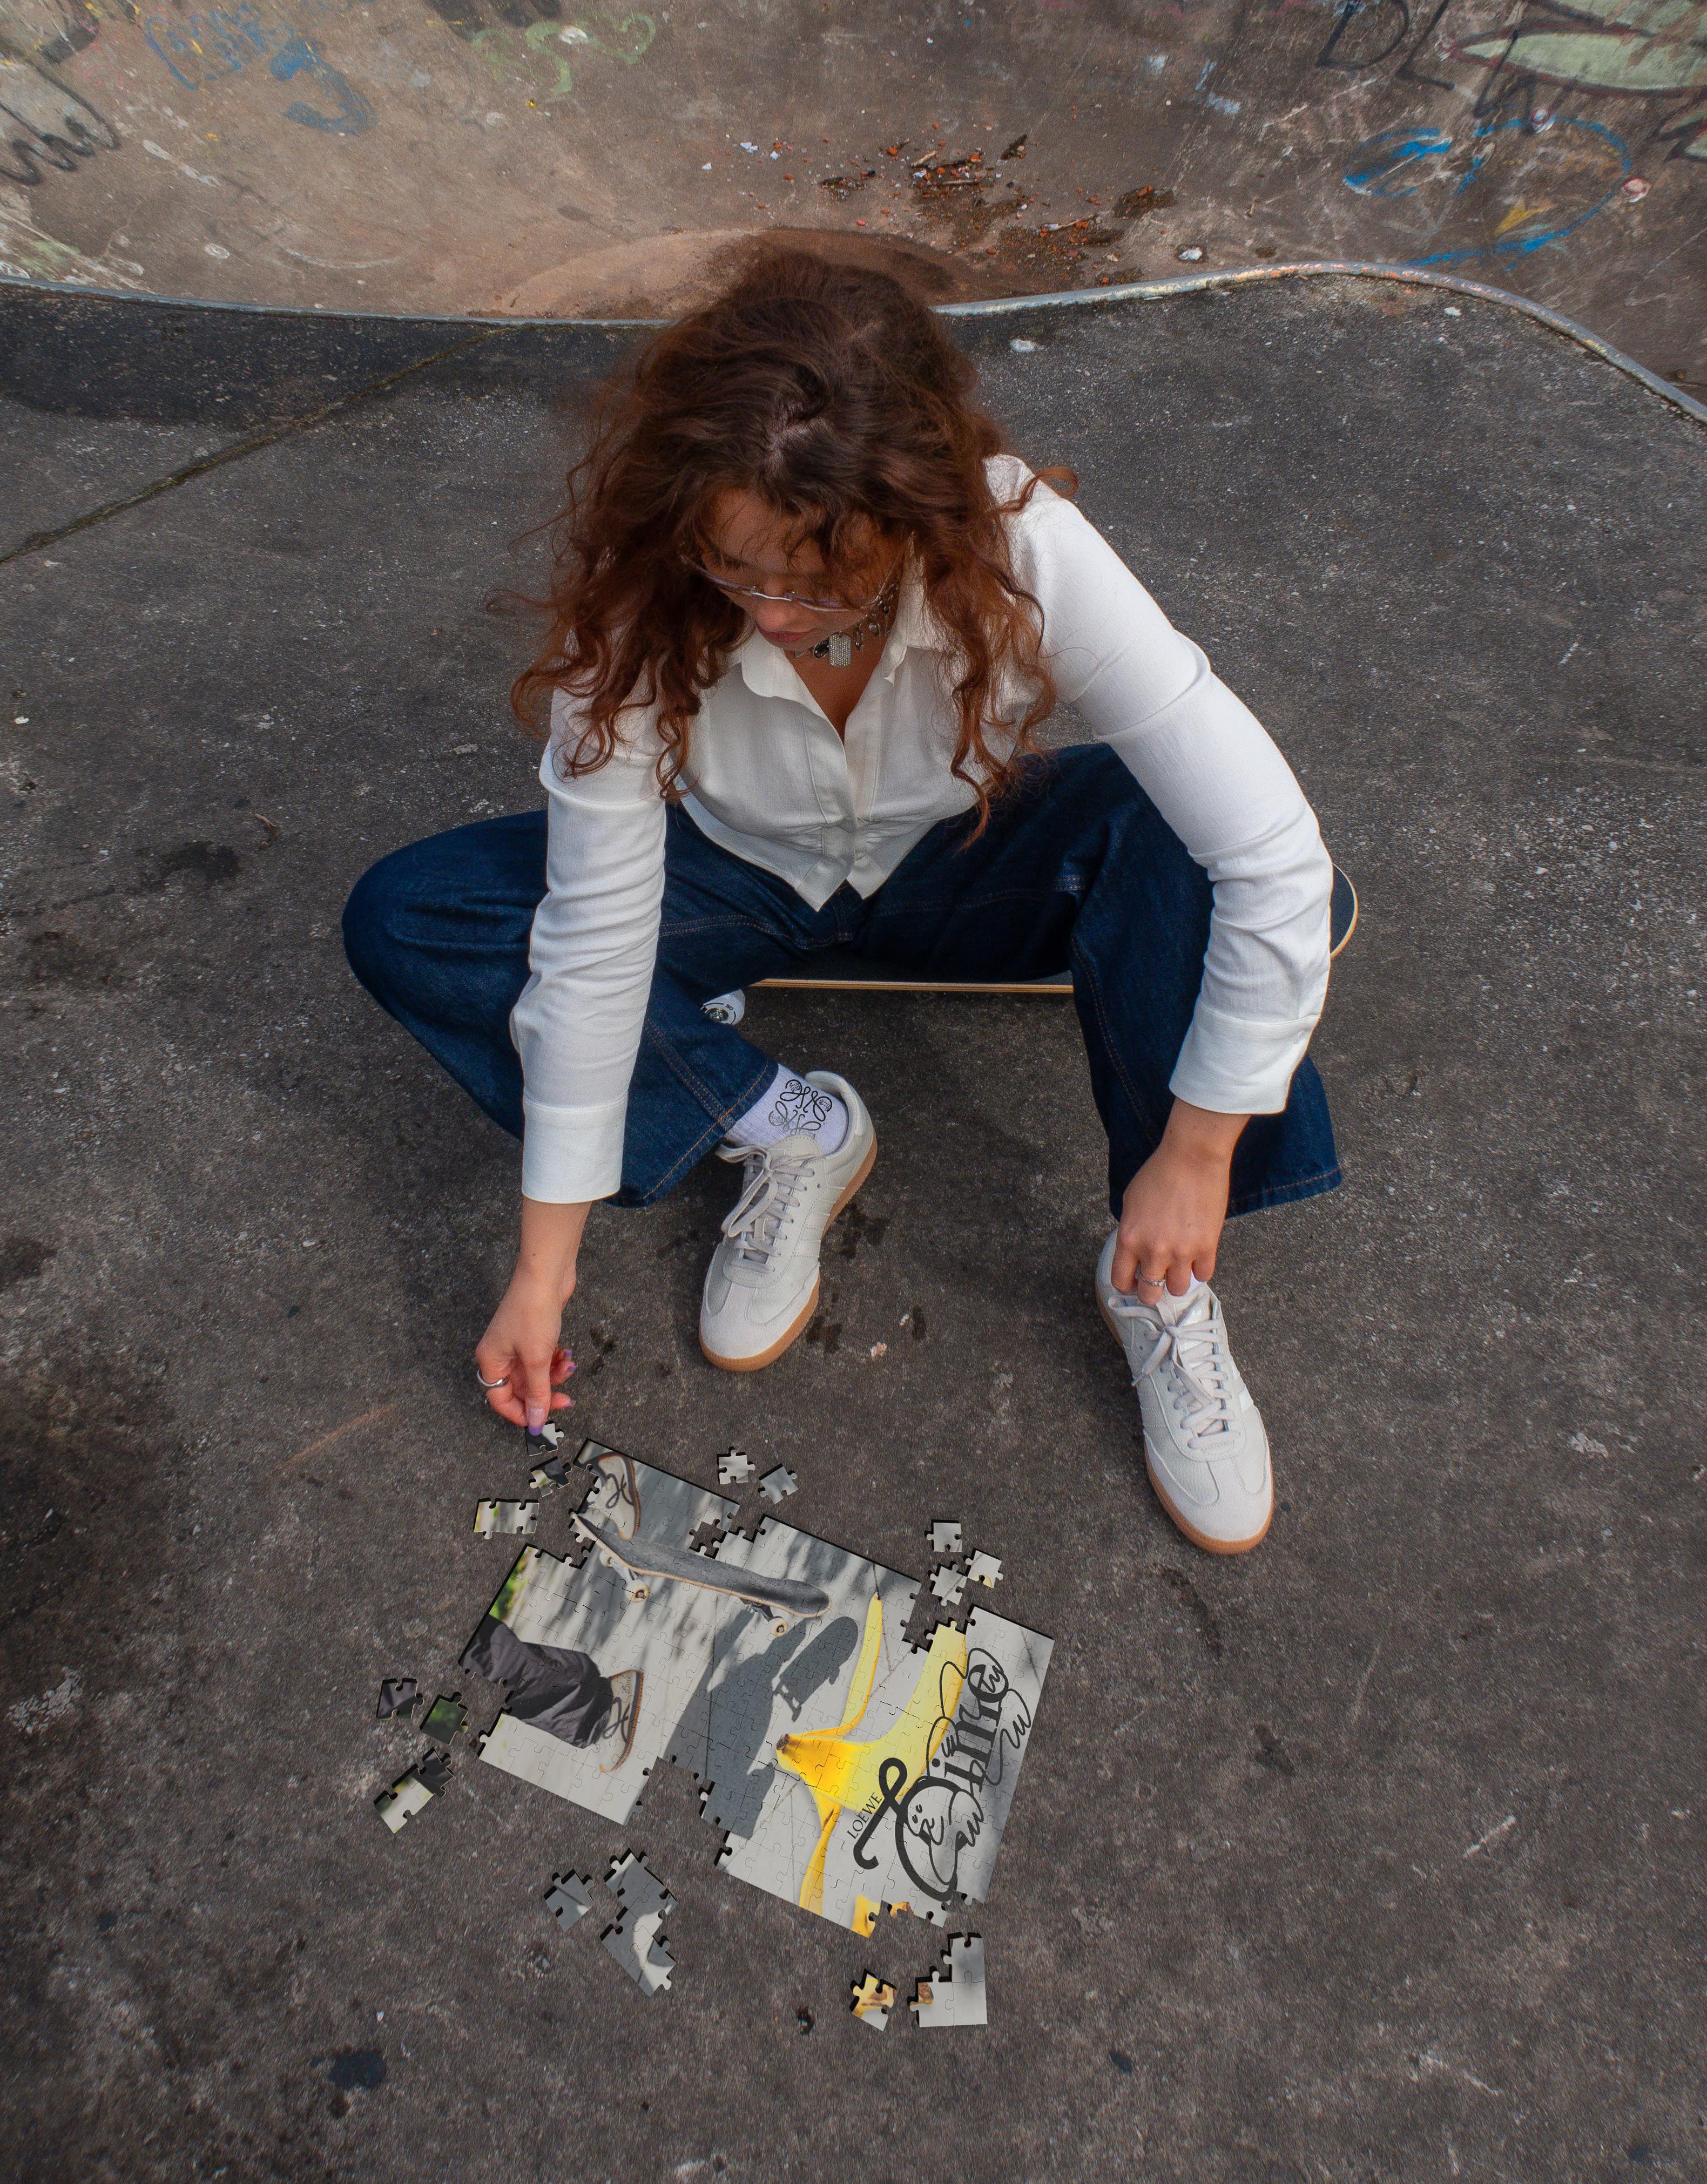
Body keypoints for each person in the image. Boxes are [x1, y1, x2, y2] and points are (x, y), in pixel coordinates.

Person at [343, 245, 1340, 1558]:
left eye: (822, 584)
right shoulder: (650, 596)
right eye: (735, 568)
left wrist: (1197, 1156)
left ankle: (1160, 1282)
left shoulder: (1025, 542)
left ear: (920, 517)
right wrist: (544, 1269)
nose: (770, 614)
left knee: (1219, 859)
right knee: (411, 915)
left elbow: (1272, 850)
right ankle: (785, 1122)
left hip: (967, 849)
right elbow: (594, 934)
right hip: (741, 875)